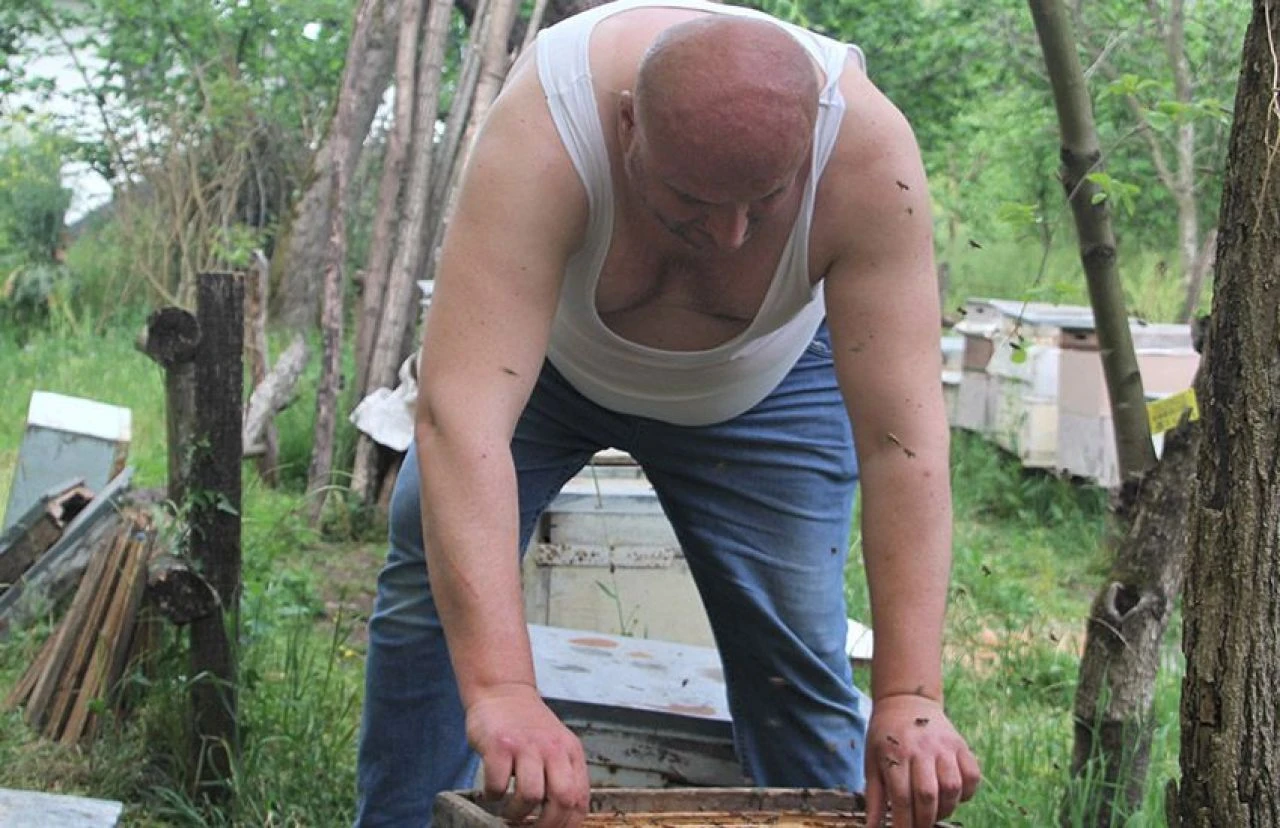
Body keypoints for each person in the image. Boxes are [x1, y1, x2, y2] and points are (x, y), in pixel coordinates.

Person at [355, 1, 981, 826]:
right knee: (427, 577)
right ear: (626, 127)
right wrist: (504, 689)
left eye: (763, 202)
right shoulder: (551, 122)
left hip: (769, 391)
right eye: (690, 198)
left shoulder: (866, 153)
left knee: (793, 656)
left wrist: (910, 693)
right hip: (548, 368)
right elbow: (460, 419)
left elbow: (905, 448)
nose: (728, 236)